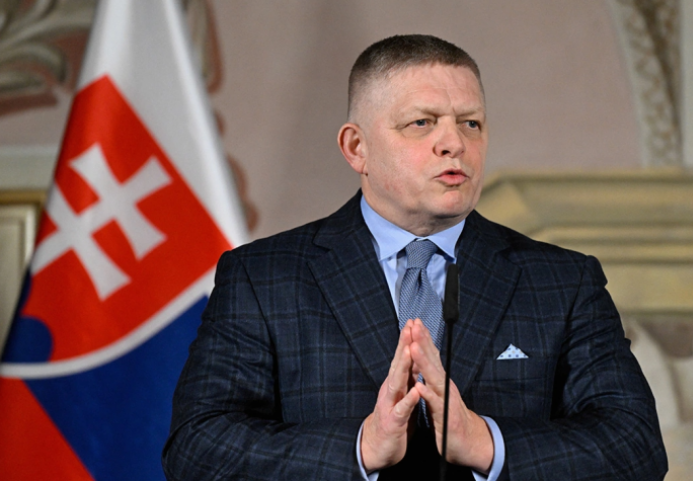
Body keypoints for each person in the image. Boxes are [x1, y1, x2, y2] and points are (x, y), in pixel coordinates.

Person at [162, 34, 667, 480]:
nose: (454, 144)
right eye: (422, 123)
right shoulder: (262, 278)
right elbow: (197, 449)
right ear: (356, 147)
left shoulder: (563, 281)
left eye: (471, 123)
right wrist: (361, 448)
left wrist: (486, 443)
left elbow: (635, 446)